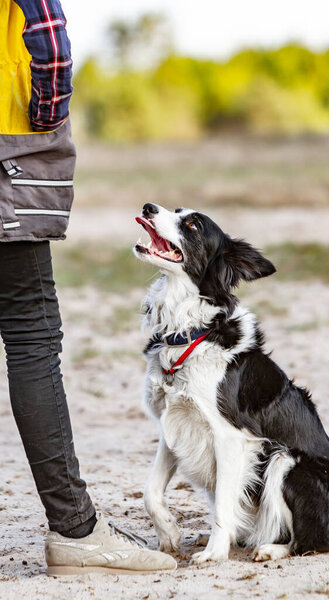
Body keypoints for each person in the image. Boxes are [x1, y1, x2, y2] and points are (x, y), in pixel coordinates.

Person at [0, 0, 176, 575]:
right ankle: (75, 529)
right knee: (30, 334)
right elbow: (47, 41)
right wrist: (47, 121)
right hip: (8, 148)